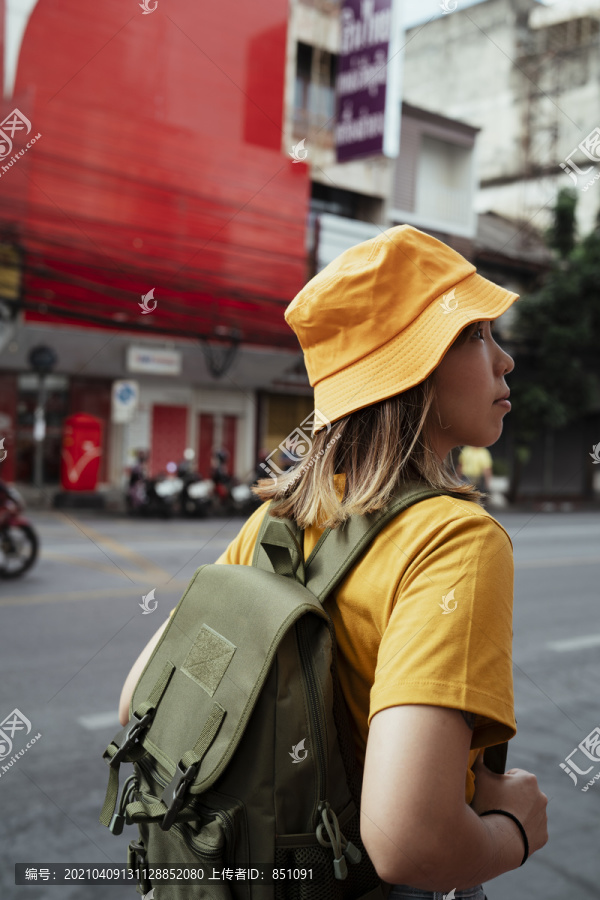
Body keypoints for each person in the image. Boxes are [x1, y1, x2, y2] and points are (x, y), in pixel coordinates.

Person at [117, 225, 548, 898]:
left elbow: (134, 701)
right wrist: (513, 831)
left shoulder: (274, 520)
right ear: (414, 367)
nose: (504, 360)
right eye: (475, 334)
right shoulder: (453, 540)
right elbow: (411, 844)